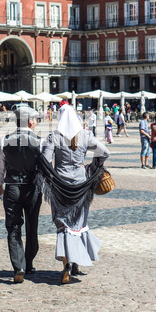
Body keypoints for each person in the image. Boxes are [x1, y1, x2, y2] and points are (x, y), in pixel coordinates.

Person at [39, 103, 110, 284]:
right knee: (78, 224)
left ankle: (66, 267)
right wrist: (93, 167)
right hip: (81, 184)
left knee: (63, 223)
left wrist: (52, 177)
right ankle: (75, 262)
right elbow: (105, 151)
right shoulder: (86, 135)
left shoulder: (53, 136)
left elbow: (45, 161)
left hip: (61, 185)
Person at [0, 105, 42, 284]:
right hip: (32, 188)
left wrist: (0, 186)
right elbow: (44, 168)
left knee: (13, 227)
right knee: (32, 226)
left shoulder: (5, 140)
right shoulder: (39, 141)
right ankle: (29, 263)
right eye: (36, 120)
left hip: (12, 187)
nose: (36, 122)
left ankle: (18, 267)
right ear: (30, 122)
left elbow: (0, 168)